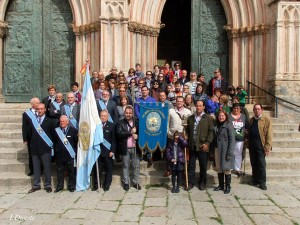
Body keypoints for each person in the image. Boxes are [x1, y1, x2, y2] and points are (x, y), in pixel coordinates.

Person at [27, 103, 56, 193]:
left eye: (41, 109)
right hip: (35, 148)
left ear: (45, 109)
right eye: (38, 109)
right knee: (36, 167)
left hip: (45, 148)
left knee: (47, 167)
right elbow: (29, 134)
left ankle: (48, 185)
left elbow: (53, 135)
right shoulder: (33, 121)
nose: (39, 110)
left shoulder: (50, 121)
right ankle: (36, 185)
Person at [186, 100, 214, 191]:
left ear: (203, 107)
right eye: (197, 106)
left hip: (202, 146)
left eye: (200, 106)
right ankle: (190, 182)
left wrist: (207, 143)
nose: (198, 107)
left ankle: (202, 182)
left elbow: (211, 132)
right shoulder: (190, 118)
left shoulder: (208, 118)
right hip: (192, 145)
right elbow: (187, 131)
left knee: (203, 166)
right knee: (191, 166)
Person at [116, 106, 141, 191]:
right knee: (125, 166)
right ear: (124, 113)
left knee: (136, 165)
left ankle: (136, 182)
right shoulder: (120, 123)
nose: (128, 115)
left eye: (130, 113)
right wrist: (130, 133)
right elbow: (119, 134)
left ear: (132, 114)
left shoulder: (136, 122)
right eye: (127, 113)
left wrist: (137, 136)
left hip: (135, 148)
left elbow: (141, 134)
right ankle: (126, 182)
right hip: (125, 148)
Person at [248, 104, 272, 190]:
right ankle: (255, 180)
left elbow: (269, 134)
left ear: (261, 110)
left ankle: (262, 182)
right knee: (254, 163)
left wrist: (267, 147)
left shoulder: (266, 119)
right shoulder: (252, 120)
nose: (257, 111)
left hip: (261, 145)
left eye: (258, 109)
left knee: (261, 164)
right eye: (255, 109)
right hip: (252, 144)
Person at [92, 110, 116, 191]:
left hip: (107, 151)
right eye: (101, 116)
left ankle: (107, 185)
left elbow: (113, 140)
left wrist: (112, 151)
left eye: (104, 116)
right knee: (97, 168)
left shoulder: (112, 125)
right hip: (98, 151)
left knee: (109, 169)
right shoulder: (96, 125)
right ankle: (97, 184)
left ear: (108, 116)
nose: (103, 117)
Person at [53, 115, 78, 193]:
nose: (62, 123)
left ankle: (71, 186)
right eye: (61, 121)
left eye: (63, 121)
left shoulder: (73, 130)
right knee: (59, 171)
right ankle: (60, 186)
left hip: (70, 154)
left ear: (67, 122)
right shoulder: (56, 131)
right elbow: (54, 142)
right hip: (59, 154)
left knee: (71, 171)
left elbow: (76, 142)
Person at [213, 110, 235, 194]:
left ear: (226, 116)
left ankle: (228, 186)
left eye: (222, 115)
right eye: (219, 116)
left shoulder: (229, 126)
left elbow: (232, 140)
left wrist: (230, 152)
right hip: (217, 149)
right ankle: (221, 185)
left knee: (226, 168)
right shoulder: (216, 125)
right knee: (219, 168)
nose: (221, 117)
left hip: (225, 150)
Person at [229, 103, 249, 177]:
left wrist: (246, 136)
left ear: (240, 109)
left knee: (238, 154)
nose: (236, 110)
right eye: (235, 108)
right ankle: (230, 168)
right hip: (230, 138)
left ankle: (237, 169)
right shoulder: (228, 116)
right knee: (230, 153)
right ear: (232, 109)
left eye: (238, 108)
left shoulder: (243, 117)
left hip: (240, 139)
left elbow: (247, 127)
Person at [22, 97, 40, 176]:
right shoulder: (26, 114)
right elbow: (24, 127)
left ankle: (41, 169)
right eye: (37, 103)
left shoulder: (41, 112)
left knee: (41, 154)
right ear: (32, 104)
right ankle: (32, 170)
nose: (38, 104)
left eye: (39, 102)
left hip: (41, 137)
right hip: (31, 137)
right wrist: (25, 139)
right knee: (31, 154)